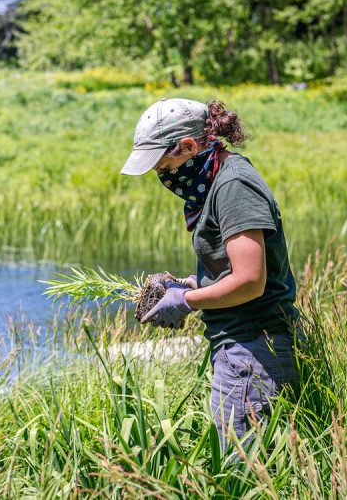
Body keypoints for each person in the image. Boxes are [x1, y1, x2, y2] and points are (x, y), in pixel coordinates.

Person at [119, 98, 300, 453]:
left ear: (188, 146)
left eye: (163, 165)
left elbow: (250, 281)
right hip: (242, 351)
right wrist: (195, 284)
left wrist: (186, 302)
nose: (163, 176)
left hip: (253, 354)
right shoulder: (218, 183)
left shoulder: (233, 186)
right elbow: (234, 271)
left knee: (242, 476)